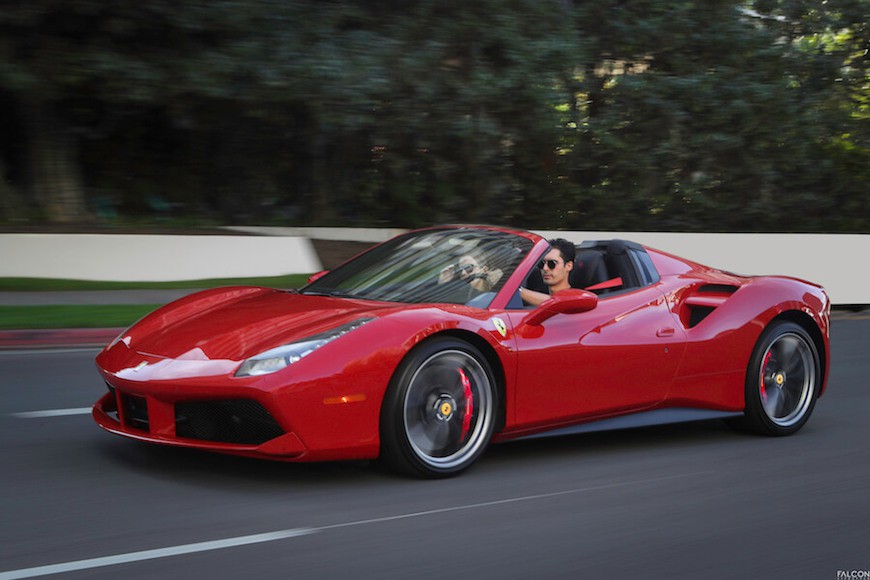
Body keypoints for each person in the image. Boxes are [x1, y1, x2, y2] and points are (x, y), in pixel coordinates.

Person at [519, 238, 575, 306]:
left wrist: (517, 290)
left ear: (568, 266)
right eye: (541, 264)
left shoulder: (575, 299)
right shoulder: (535, 294)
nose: (545, 268)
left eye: (552, 264)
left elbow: (558, 303)